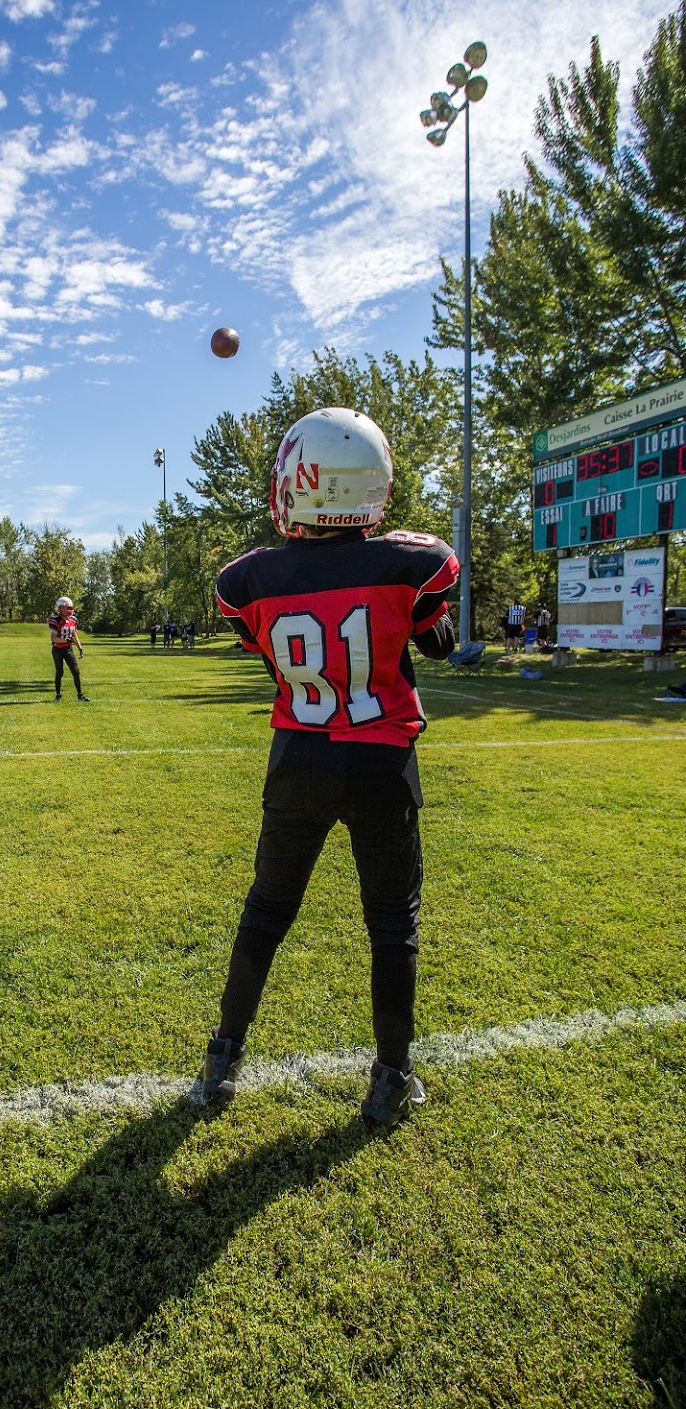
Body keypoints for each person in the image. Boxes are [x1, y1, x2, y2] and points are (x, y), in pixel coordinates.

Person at [198, 407, 459, 1129]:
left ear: (301, 479)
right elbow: (431, 634)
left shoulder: (249, 578)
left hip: (299, 755)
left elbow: (274, 648)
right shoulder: (410, 563)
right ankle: (389, 1079)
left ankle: (223, 1057)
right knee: (391, 921)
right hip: (380, 759)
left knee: (267, 909)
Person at [48, 596, 88, 702]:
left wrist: (80, 647)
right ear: (59, 608)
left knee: (76, 671)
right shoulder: (55, 620)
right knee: (59, 672)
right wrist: (66, 641)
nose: (67, 611)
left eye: (69, 608)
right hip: (58, 649)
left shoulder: (73, 620)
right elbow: (53, 638)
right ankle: (58, 695)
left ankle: (80, 695)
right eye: (64, 608)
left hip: (68, 649)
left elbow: (74, 634)